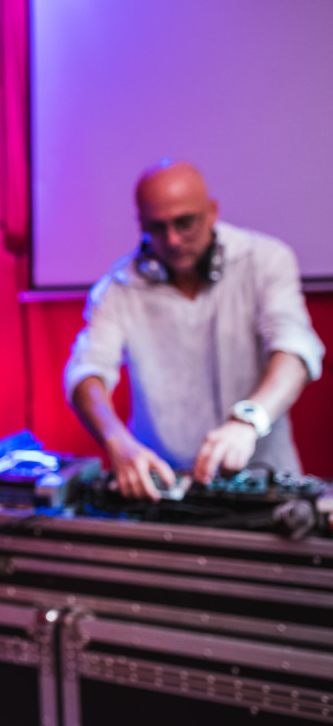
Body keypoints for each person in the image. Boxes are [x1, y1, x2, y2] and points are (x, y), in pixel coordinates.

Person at [64, 159, 324, 501]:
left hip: (269, 487)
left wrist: (249, 420)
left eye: (184, 223)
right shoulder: (117, 287)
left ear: (212, 212)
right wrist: (117, 440)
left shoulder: (266, 260)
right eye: (156, 228)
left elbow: (293, 349)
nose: (172, 240)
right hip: (164, 490)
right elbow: (88, 370)